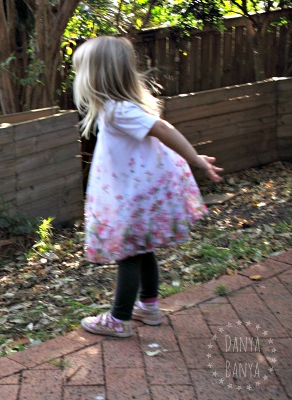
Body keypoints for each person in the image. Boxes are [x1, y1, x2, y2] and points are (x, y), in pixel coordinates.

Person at [72, 36, 223, 338]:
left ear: (97, 75)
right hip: (134, 195)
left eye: (80, 70)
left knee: (128, 255)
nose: (77, 78)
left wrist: (195, 158)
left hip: (133, 199)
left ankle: (119, 318)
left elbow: (163, 128)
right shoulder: (114, 109)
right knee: (142, 250)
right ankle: (149, 306)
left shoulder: (118, 111)